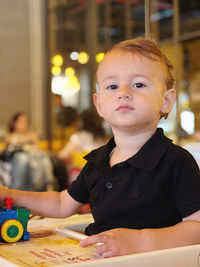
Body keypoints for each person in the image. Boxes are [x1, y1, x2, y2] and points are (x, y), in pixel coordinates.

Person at [1, 38, 200, 258]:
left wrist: (141, 241)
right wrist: (9, 195)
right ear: (99, 105)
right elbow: (60, 204)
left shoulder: (176, 161)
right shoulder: (98, 162)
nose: (123, 92)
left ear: (166, 100)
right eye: (112, 86)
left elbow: (197, 227)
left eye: (139, 84)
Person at [1, 112, 57, 191]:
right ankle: (18, 189)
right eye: (21, 122)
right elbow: (9, 149)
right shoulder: (10, 136)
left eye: (25, 122)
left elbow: (37, 147)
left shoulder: (31, 134)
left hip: (33, 160)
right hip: (16, 162)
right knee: (23, 159)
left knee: (44, 157)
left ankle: (48, 184)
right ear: (14, 123)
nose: (23, 124)